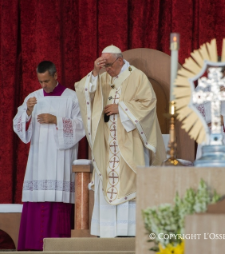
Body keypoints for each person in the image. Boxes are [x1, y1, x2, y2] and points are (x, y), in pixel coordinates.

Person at [75, 45, 166, 238]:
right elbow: (84, 91)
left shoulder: (137, 76)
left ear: (120, 60)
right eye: (103, 65)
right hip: (108, 143)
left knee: (130, 180)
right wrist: (94, 71)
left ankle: (129, 230)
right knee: (109, 180)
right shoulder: (103, 77)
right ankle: (108, 230)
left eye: (109, 65)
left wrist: (121, 108)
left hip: (130, 141)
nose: (107, 69)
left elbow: (149, 103)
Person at [13, 61, 85, 251]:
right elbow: (18, 125)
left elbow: (82, 125)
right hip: (38, 159)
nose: (43, 85)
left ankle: (59, 246)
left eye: (46, 81)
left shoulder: (72, 98)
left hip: (61, 158)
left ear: (55, 76)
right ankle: (32, 245)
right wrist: (27, 111)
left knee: (58, 202)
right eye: (40, 81)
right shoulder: (33, 98)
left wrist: (56, 120)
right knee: (38, 198)